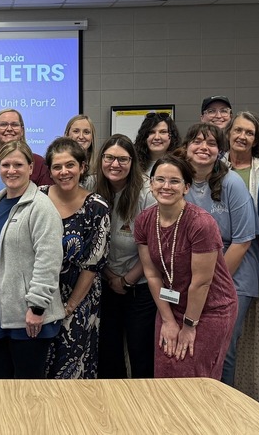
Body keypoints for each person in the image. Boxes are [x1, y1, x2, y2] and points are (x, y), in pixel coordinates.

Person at [134, 155, 237, 379]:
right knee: (165, 371)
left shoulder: (201, 223)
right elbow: (151, 274)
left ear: (186, 187)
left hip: (209, 307)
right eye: (160, 180)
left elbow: (202, 282)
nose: (166, 186)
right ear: (151, 184)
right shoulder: (144, 221)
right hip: (171, 305)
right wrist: (169, 320)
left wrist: (189, 327)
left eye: (174, 181)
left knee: (193, 375)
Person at [0, 141, 64, 379]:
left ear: (31, 167)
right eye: (5, 165)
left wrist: (36, 306)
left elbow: (49, 260)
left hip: (27, 317)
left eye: (18, 164)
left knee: (27, 392)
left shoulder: (41, 207)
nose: (11, 170)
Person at [179, 123, 257, 386]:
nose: (204, 148)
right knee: (191, 344)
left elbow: (244, 240)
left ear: (220, 150)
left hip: (232, 277)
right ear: (186, 147)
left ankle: (222, 414)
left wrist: (210, 282)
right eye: (197, 142)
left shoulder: (231, 182)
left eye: (211, 143)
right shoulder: (179, 182)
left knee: (222, 350)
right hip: (192, 278)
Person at [224, 111, 259, 400]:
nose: (242, 136)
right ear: (228, 132)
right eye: (238, 130)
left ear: (256, 138)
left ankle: (246, 396)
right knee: (223, 336)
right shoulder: (215, 164)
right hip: (218, 252)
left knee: (244, 334)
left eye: (249, 132)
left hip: (254, 253)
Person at [41, 137, 110, 379]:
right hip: (41, 298)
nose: (64, 172)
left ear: (82, 167)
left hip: (79, 300)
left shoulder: (96, 207)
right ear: (49, 171)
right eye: (57, 167)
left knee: (72, 371)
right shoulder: (37, 199)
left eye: (70, 165)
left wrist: (69, 307)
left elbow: (92, 264)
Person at [94, 134, 156, 379]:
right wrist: (111, 277)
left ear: (132, 162)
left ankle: (144, 411)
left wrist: (127, 280)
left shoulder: (147, 195)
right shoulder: (92, 187)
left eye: (122, 159)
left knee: (141, 352)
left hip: (139, 286)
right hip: (105, 283)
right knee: (108, 353)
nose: (115, 164)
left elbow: (152, 247)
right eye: (109, 158)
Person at [0, 108, 52, 185]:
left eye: (14, 124)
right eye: (3, 124)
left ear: (22, 131)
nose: (9, 129)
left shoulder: (38, 162)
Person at [63, 114, 97, 189]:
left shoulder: (100, 166)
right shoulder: (56, 163)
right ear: (66, 134)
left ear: (92, 137)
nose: (81, 136)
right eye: (76, 131)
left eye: (86, 132)